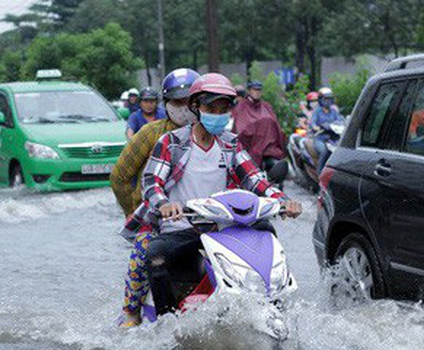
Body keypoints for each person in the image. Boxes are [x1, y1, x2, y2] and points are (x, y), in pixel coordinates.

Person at [122, 73, 302, 317]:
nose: (217, 114)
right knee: (155, 256)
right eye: (211, 107)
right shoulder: (171, 142)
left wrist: (282, 200)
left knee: (266, 231)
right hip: (182, 227)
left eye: (223, 108)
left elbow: (254, 178)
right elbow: (152, 182)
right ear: (195, 107)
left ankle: (278, 308)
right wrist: (164, 204)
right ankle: (166, 324)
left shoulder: (230, 143)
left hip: (224, 228)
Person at [111, 68, 200, 327]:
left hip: (203, 216)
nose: (183, 108)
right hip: (158, 217)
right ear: (166, 104)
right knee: (142, 254)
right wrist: (136, 209)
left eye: (189, 102)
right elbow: (119, 176)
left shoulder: (214, 135)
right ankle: (131, 313)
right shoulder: (152, 134)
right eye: (177, 102)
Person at [231, 80, 289, 188]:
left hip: (269, 150)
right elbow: (239, 129)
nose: (257, 92)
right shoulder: (241, 107)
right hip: (249, 150)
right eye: (254, 90)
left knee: (277, 172)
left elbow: (275, 127)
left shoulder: (266, 107)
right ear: (249, 91)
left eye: (259, 90)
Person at [311, 87, 343, 173]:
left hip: (333, 138)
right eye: (326, 99)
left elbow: (340, 121)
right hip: (320, 138)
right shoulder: (317, 111)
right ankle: (320, 173)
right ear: (320, 100)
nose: (328, 101)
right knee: (324, 151)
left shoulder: (334, 111)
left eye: (330, 99)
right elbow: (313, 124)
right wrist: (318, 127)